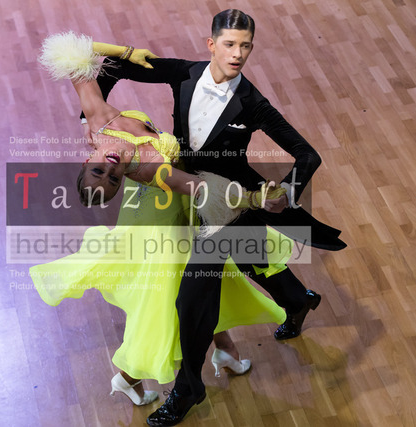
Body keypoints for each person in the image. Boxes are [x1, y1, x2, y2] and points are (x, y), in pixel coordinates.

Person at [87, 9, 347, 425]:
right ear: (212, 45)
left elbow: (307, 154)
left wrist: (286, 191)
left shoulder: (253, 103)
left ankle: (189, 388)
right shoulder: (185, 73)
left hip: (228, 202)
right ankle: (299, 301)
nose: (237, 54)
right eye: (229, 44)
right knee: (252, 259)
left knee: (192, 297)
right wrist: (93, 122)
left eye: (245, 46)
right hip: (186, 193)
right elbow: (113, 67)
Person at [31, 32, 294, 406]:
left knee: (208, 287)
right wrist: (254, 198)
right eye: (113, 179)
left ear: (87, 159)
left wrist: (126, 53)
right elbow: (201, 188)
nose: (110, 170)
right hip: (168, 225)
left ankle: (225, 350)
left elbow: (67, 51)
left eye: (99, 171)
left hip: (172, 216)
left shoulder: (99, 121)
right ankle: (129, 376)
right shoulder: (145, 168)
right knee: (170, 306)